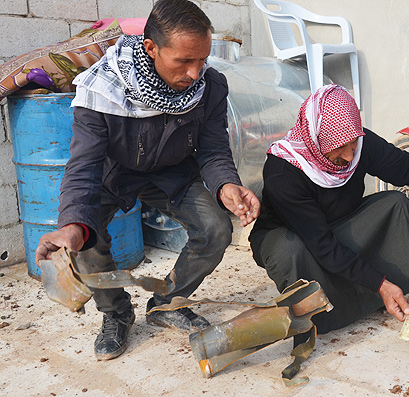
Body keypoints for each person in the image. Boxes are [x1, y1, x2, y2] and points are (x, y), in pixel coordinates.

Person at [34, 0, 260, 361]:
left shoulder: (211, 87)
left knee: (216, 229)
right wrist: (73, 224)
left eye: (201, 60)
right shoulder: (103, 88)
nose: (195, 72)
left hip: (173, 172)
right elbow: (84, 165)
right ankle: (116, 314)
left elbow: (214, 150)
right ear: (151, 48)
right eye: (184, 61)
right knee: (86, 239)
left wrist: (225, 186)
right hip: (114, 172)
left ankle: (168, 303)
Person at [249, 84, 409, 339]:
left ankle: (393, 290)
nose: (350, 156)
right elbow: (322, 245)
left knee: (395, 205)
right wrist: (379, 284)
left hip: (336, 226)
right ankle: (329, 311)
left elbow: (406, 167)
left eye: (353, 144)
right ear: (318, 139)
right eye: (340, 147)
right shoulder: (284, 172)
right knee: (290, 251)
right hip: (294, 238)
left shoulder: (359, 145)